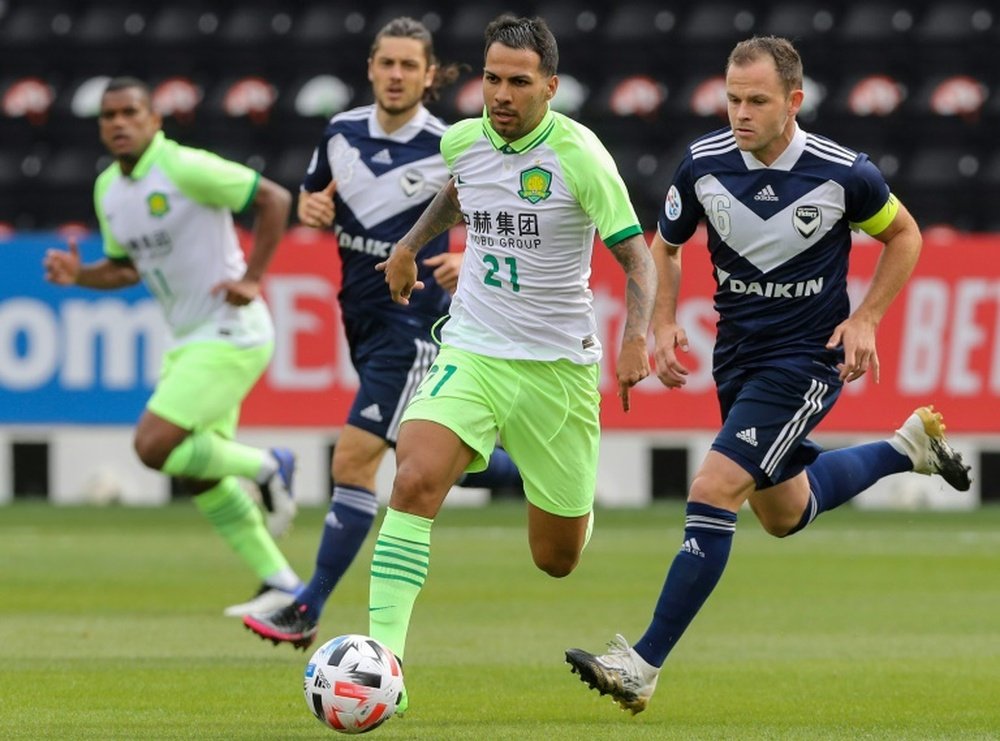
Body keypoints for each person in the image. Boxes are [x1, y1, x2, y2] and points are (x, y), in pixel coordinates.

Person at [564, 36, 972, 715]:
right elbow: (666, 247)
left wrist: (867, 316)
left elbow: (906, 236)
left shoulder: (843, 174)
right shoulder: (701, 164)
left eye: (756, 100)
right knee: (783, 512)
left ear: (794, 101)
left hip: (808, 358)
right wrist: (662, 322)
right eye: (731, 98)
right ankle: (907, 448)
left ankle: (641, 662)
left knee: (715, 485)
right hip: (739, 360)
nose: (740, 113)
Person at [368, 14, 656, 715]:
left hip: (557, 369)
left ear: (550, 87)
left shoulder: (581, 157)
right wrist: (408, 245)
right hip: (473, 348)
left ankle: (575, 510)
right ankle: (384, 667)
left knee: (555, 558)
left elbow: (636, 255)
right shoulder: (462, 138)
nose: (501, 93)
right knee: (412, 477)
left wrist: (634, 336)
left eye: (519, 82)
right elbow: (463, 189)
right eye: (493, 78)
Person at [242, 17, 524, 649]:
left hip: (414, 324)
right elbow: (314, 198)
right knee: (419, 459)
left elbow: (501, 213)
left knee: (354, 457)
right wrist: (309, 207)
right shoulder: (339, 132)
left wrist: (469, 258)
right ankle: (526, 472)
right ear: (371, 68)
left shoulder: (453, 143)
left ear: (429, 76)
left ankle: (307, 605)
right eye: (386, 63)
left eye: (408, 65)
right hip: (360, 318)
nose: (396, 75)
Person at [43, 77, 305, 617]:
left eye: (130, 112)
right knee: (196, 470)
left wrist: (254, 277)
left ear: (153, 120)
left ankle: (268, 465)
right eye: (108, 115)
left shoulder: (185, 167)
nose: (118, 123)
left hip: (231, 330)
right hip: (186, 341)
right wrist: (79, 277)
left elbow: (275, 199)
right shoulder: (108, 191)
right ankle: (282, 584)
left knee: (151, 445)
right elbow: (125, 270)